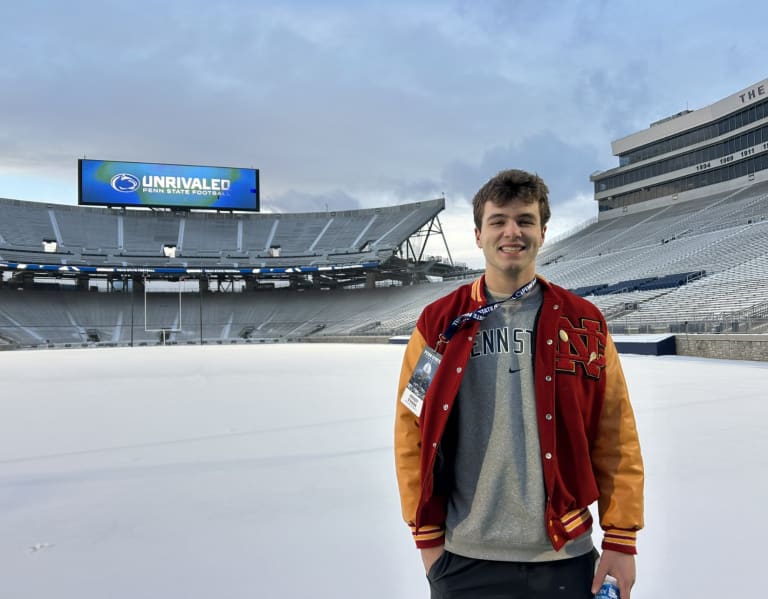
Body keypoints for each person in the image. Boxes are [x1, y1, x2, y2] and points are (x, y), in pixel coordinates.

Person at [394, 169, 644, 598]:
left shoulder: (583, 322)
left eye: (525, 220)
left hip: (563, 553)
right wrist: (428, 541)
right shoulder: (437, 325)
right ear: (478, 234)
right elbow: (411, 425)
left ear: (543, 232)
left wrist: (621, 538)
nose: (513, 231)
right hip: (464, 558)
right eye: (499, 221)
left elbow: (614, 431)